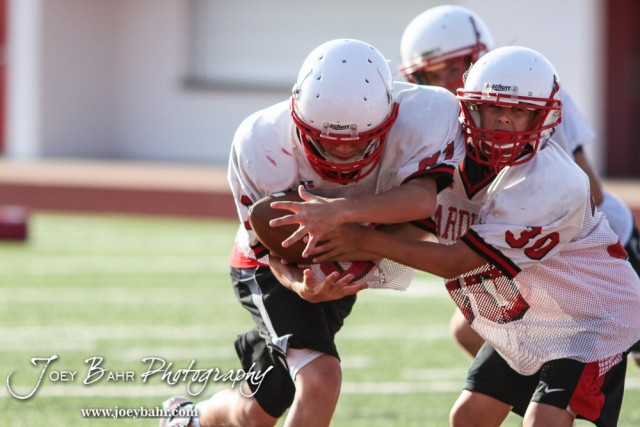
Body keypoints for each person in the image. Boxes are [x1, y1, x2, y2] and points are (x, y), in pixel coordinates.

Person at [304, 46, 640, 427]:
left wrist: (360, 239)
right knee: (468, 417)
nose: (503, 120)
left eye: (518, 111)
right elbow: (414, 228)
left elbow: (456, 262)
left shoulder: (550, 183)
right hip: (533, 313)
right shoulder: (451, 153)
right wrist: (336, 270)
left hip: (592, 315)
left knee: (543, 422)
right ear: (470, 107)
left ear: (542, 117)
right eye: (492, 107)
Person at [158, 38, 465, 427]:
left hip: (344, 255)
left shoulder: (428, 113)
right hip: (273, 267)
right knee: (320, 378)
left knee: (260, 409)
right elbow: (268, 248)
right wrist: (297, 285)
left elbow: (421, 202)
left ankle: (189, 419)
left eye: (358, 142)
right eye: (325, 140)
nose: (341, 153)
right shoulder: (261, 141)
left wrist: (338, 214)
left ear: (390, 117)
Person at [398, 4, 640, 363]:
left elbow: (592, 191)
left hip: (587, 248)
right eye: (430, 75)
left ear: (478, 60)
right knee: (472, 333)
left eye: (452, 68)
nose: (444, 83)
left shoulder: (530, 93)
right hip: (521, 247)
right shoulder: (448, 120)